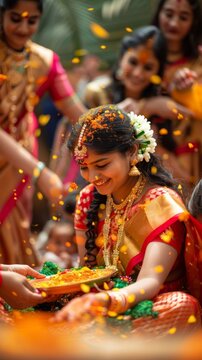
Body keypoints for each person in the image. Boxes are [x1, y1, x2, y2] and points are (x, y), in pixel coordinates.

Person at [53, 105, 202, 337]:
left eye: (102, 165)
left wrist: (108, 301)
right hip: (101, 303)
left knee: (181, 305)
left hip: (148, 304)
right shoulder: (88, 199)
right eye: (84, 168)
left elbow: (151, 281)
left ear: (132, 152)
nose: (93, 177)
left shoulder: (160, 203)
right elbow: (87, 271)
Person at [0, 0, 86, 265]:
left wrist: (120, 126)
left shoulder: (44, 61)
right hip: (25, 162)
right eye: (15, 18)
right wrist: (40, 172)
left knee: (14, 234)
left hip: (17, 163)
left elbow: (78, 113)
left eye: (32, 20)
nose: (24, 28)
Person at [84, 26, 194, 184]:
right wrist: (136, 110)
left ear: (158, 72)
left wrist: (149, 142)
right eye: (133, 62)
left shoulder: (164, 109)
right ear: (122, 57)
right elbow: (81, 149)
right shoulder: (97, 94)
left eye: (148, 67)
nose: (137, 73)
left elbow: (185, 179)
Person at [152, 0, 202, 185]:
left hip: (191, 154)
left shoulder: (198, 61)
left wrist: (186, 91)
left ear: (194, 21)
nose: (174, 23)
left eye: (183, 17)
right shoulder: (144, 55)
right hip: (150, 148)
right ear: (159, 13)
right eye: (168, 14)